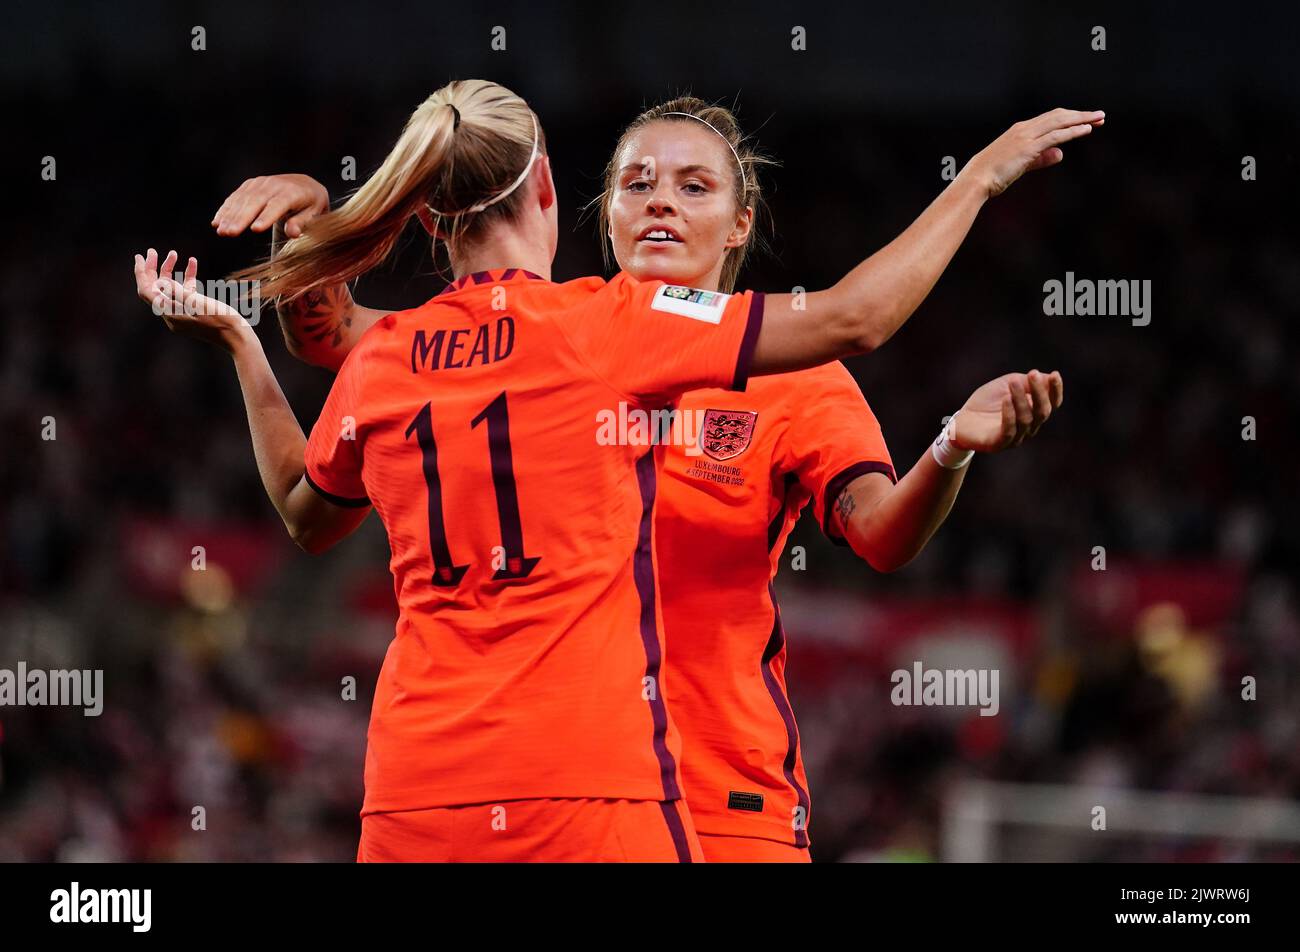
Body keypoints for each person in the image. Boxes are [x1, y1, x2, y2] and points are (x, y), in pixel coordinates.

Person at [140, 79, 1089, 861]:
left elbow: (880, 531)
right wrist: (979, 180)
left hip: (707, 791)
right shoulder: (596, 330)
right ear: (571, 200)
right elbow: (347, 348)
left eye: (692, 186)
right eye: (637, 182)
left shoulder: (787, 379)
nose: (661, 201)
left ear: (738, 223)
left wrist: (949, 447)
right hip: (600, 792)